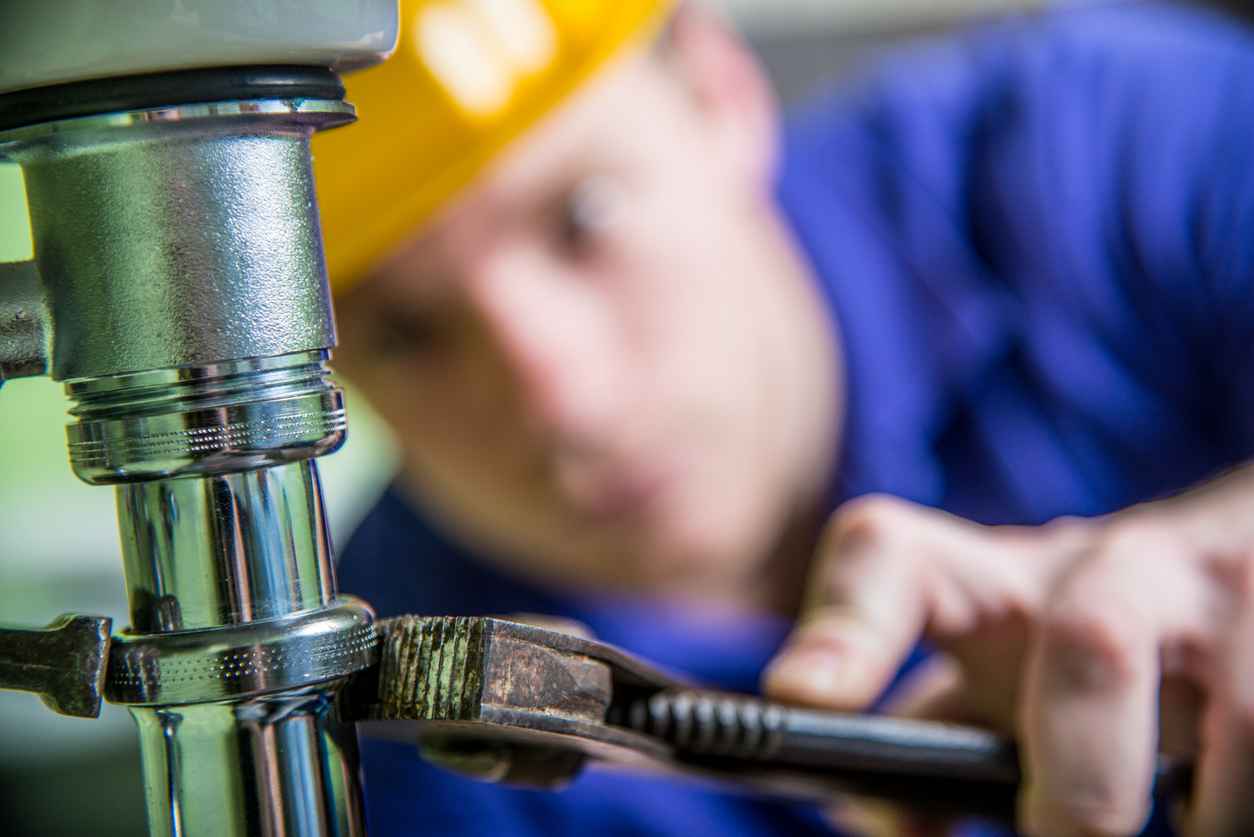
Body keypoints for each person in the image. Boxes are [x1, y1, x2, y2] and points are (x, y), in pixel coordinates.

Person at [312, 0, 1254, 834]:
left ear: (717, 91)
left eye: (583, 217)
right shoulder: (378, 737)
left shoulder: (1118, 146)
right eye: (405, 333)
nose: (569, 405)